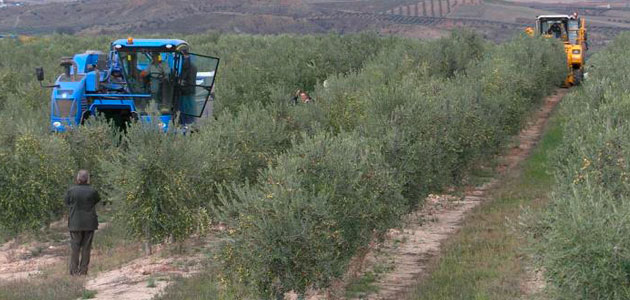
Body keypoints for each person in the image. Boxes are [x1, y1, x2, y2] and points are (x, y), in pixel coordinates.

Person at [65, 170, 100, 276]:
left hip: (75, 223)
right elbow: (96, 201)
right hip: (89, 223)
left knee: (75, 247)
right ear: (87, 179)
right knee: (86, 247)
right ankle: (83, 271)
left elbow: (67, 202)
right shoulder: (93, 191)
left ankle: (74, 271)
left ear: (78, 178)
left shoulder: (71, 191)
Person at [178, 48, 198, 125]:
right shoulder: (191, 66)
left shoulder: (188, 66)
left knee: (186, 113)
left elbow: (187, 81)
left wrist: (180, 83)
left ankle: (187, 126)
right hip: (188, 92)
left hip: (186, 93)